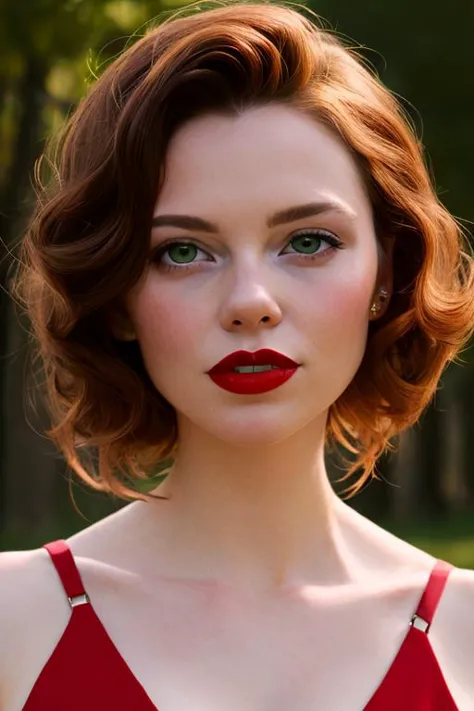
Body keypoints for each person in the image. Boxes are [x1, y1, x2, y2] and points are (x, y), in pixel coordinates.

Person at [2, 1, 474, 708]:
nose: (251, 300)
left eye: (308, 240)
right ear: (118, 294)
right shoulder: (15, 623)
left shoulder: (464, 638)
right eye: (183, 251)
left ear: (387, 270)